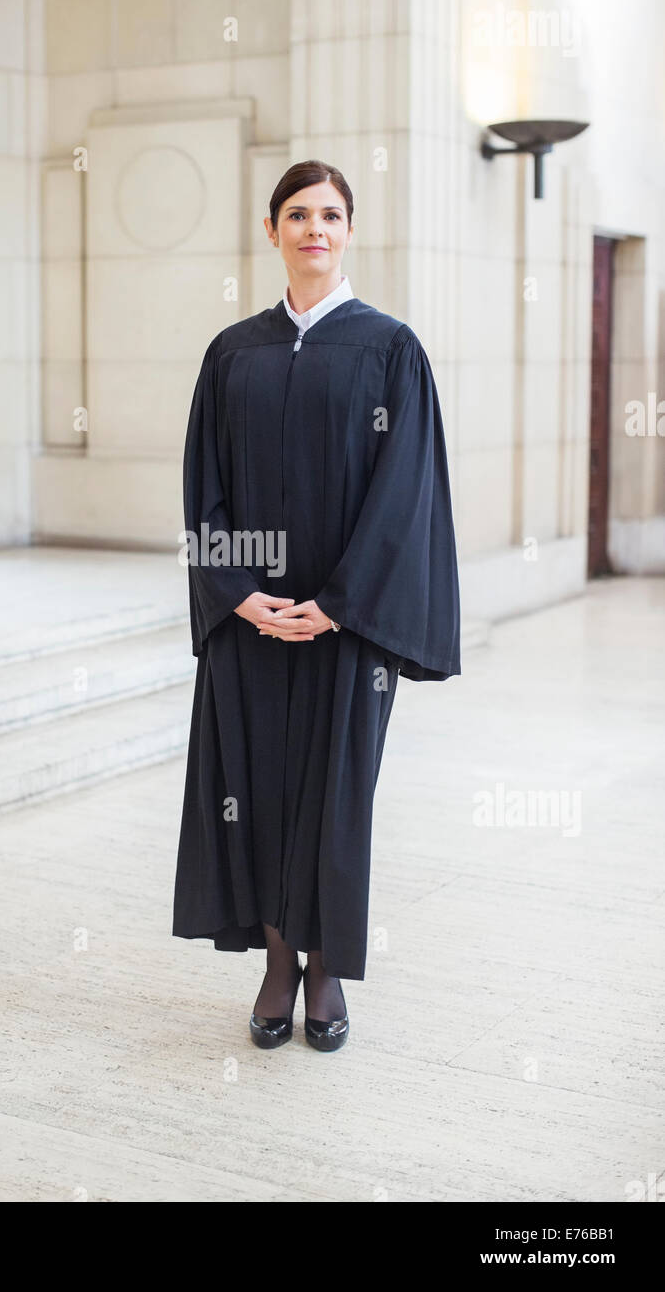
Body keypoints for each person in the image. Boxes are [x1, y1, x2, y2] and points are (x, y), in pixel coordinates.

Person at [172, 160, 461, 1052]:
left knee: (333, 797)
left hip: (345, 629)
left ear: (348, 230)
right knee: (252, 791)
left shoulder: (389, 349)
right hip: (251, 623)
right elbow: (203, 488)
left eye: (330, 215)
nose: (314, 230)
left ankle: (325, 969)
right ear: (272, 231)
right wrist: (239, 594)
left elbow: (404, 496)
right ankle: (275, 962)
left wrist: (336, 606)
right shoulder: (234, 353)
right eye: (297, 214)